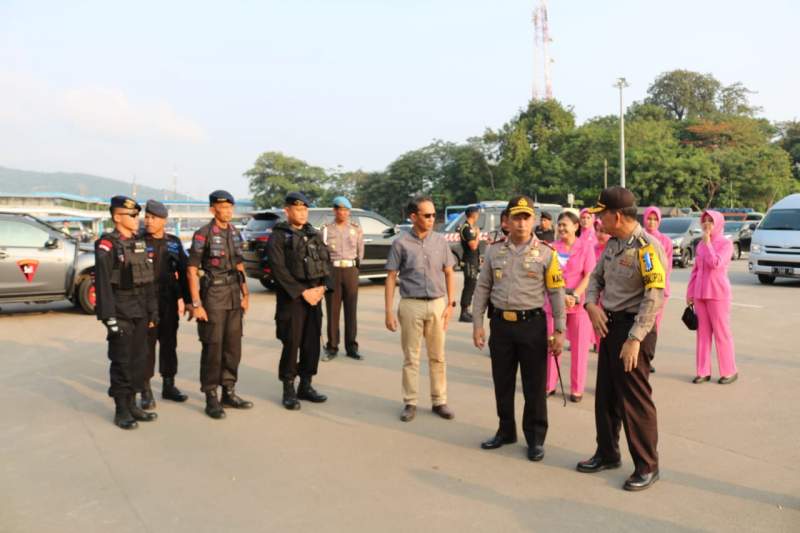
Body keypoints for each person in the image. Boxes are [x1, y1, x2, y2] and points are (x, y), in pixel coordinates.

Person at [578, 186, 666, 492]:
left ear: (616, 215)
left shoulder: (647, 247)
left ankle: (647, 465)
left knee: (635, 401)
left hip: (634, 332)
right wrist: (590, 305)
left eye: (601, 213)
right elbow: (595, 278)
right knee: (606, 396)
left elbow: (654, 297)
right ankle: (607, 453)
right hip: (610, 327)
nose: (598, 219)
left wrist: (635, 338)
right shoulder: (614, 244)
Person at [472, 196, 566, 462]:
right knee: (502, 382)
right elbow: (483, 288)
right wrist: (478, 323)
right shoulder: (493, 250)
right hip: (501, 325)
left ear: (533, 220)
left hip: (532, 326)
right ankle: (505, 430)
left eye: (526, 217)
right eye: (517, 217)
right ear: (507, 221)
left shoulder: (547, 252)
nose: (522, 223)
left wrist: (560, 330)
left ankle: (535, 438)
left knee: (534, 386)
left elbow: (557, 292)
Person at [385, 196, 457, 422]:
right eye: (427, 215)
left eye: (434, 214)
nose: (432, 219)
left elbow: (449, 272)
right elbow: (391, 277)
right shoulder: (400, 243)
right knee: (411, 357)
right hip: (411, 304)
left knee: (438, 357)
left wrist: (450, 304)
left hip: (437, 304)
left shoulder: (440, 241)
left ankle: (439, 401)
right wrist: (388, 310)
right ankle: (411, 402)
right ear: (413, 217)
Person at [187, 190, 253, 419]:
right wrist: (196, 303)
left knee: (233, 347)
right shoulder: (202, 234)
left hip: (234, 293)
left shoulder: (235, 233)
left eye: (229, 207)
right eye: (222, 207)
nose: (227, 211)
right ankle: (211, 396)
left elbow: (240, 266)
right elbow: (192, 270)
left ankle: (229, 390)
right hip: (213, 294)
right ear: (212, 209)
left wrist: (246, 295)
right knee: (213, 347)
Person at [94, 195, 158, 429]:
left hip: (140, 309)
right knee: (121, 361)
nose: (137, 219)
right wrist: (108, 318)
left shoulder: (139, 242)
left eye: (137, 214)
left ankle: (133, 404)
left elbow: (148, 281)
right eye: (132, 215)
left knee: (139, 359)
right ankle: (121, 409)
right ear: (116, 217)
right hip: (121, 310)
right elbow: (102, 285)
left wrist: (153, 311)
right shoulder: (107, 245)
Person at [267, 192, 331, 410]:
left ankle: (306, 385)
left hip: (315, 296)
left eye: (305, 209)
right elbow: (278, 269)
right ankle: (288, 388)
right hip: (293, 298)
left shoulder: (313, 233)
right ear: (287, 211)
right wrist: (302, 292)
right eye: (298, 209)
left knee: (312, 343)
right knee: (292, 343)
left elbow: (325, 260)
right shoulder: (279, 235)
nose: (302, 213)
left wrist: (323, 287)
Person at [138, 200, 190, 410]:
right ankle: (145, 390)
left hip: (168, 301)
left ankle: (169, 385)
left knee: (169, 344)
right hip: (145, 302)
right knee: (147, 346)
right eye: (147, 217)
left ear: (164, 221)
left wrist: (188, 301)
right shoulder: (138, 240)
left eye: (154, 218)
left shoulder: (174, 243)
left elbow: (185, 273)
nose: (149, 221)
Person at [545, 211, 596, 403]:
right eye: (559, 225)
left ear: (576, 226)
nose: (561, 228)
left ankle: (577, 388)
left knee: (580, 348)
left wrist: (574, 295)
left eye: (565, 224)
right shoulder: (551, 248)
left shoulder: (586, 247)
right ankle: (549, 384)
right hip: (554, 303)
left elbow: (589, 274)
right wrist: (560, 296)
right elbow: (546, 275)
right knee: (552, 344)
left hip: (578, 304)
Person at [687, 210, 738, 385]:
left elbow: (715, 264)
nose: (707, 224)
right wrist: (690, 293)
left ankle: (729, 371)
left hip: (718, 295)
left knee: (721, 334)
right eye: (704, 220)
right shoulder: (700, 245)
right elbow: (695, 271)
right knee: (702, 335)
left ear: (718, 223)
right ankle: (703, 371)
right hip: (700, 295)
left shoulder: (726, 244)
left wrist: (708, 243)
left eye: (711, 221)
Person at [322, 196, 365, 361]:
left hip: (350, 270)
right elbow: (322, 253)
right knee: (332, 310)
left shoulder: (356, 229)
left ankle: (351, 347)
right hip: (333, 270)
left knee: (351, 310)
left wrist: (355, 267)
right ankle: (332, 347)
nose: (343, 213)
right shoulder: (326, 230)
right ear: (334, 211)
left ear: (349, 212)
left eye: (346, 210)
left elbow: (360, 251)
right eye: (340, 209)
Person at [643, 207, 674, 373]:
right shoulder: (638, 237)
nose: (652, 222)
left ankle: (647, 358)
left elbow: (667, 267)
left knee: (653, 326)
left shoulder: (665, 241)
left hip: (659, 290)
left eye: (655, 219)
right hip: (639, 290)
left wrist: (659, 286)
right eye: (649, 218)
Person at [458, 205, 481, 323]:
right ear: (473, 214)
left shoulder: (471, 227)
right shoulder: (467, 228)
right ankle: (463, 312)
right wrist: (478, 235)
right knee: (469, 286)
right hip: (469, 261)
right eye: (477, 212)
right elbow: (473, 246)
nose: (479, 214)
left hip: (473, 260)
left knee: (471, 286)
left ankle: (466, 310)